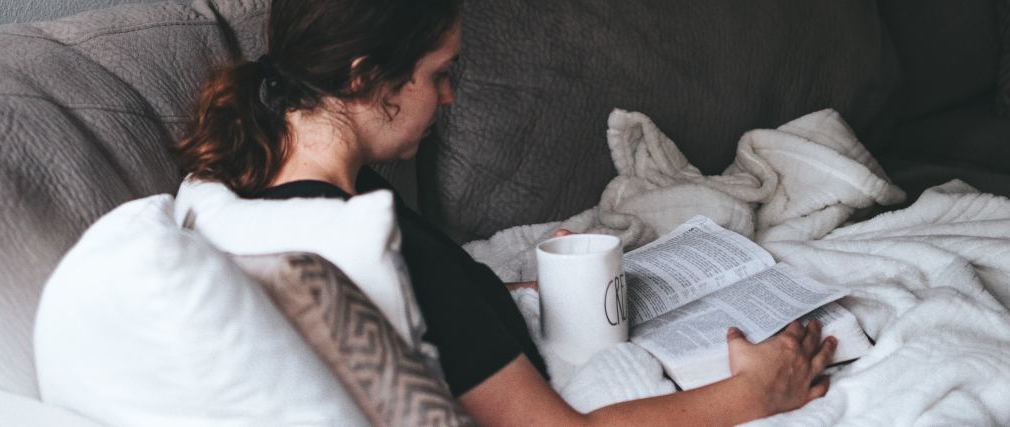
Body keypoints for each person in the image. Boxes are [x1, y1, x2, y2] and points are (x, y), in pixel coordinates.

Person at [174, 0, 836, 424]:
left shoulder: (237, 186)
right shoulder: (387, 249)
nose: (451, 95)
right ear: (362, 79)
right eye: (439, 73)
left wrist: (508, 293)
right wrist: (756, 391)